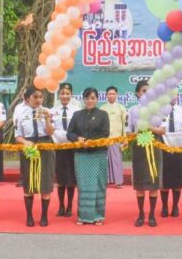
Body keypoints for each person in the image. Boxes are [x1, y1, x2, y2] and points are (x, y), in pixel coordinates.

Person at [67, 87, 110, 225]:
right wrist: (78, 139)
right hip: (81, 155)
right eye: (87, 98)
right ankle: (83, 216)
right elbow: (69, 133)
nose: (90, 101)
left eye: (93, 98)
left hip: (98, 154)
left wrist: (90, 142)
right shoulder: (77, 114)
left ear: (97, 99)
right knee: (84, 185)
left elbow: (105, 133)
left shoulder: (103, 114)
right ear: (83, 99)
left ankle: (98, 216)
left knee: (98, 185)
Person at [15, 87, 55, 227]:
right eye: (35, 97)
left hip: (45, 146)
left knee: (45, 181)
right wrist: (26, 142)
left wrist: (48, 119)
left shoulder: (47, 112)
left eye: (40, 97)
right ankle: (29, 216)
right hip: (29, 147)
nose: (38, 100)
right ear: (27, 99)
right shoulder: (21, 114)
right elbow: (17, 135)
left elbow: (50, 132)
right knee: (28, 182)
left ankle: (44, 216)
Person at [127, 80, 164, 227]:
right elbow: (129, 129)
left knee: (153, 180)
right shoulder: (132, 110)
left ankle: (152, 215)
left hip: (154, 142)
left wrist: (149, 128)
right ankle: (141, 214)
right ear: (137, 93)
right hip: (139, 143)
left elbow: (163, 129)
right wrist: (133, 134)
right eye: (143, 91)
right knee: (141, 182)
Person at [51, 83, 80, 216]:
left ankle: (69, 206)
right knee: (61, 178)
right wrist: (60, 138)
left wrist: (68, 137)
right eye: (62, 93)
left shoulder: (76, 110)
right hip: (59, 147)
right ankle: (61, 206)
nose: (65, 96)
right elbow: (51, 130)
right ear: (59, 95)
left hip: (72, 147)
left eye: (67, 93)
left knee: (71, 179)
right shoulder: (52, 111)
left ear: (71, 95)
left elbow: (78, 129)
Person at [160, 97, 182, 217]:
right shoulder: (159, 112)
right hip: (163, 148)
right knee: (164, 180)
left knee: (177, 180)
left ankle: (175, 206)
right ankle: (164, 206)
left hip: (179, 149)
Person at [100, 86, 127, 188]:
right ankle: (105, 181)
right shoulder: (102, 108)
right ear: (106, 95)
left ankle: (118, 182)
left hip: (117, 138)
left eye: (113, 94)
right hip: (105, 139)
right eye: (109, 94)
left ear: (117, 95)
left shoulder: (121, 108)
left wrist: (124, 138)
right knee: (104, 160)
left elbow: (124, 124)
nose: (111, 96)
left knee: (117, 160)